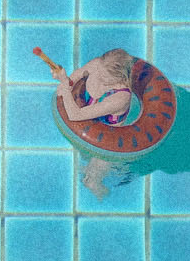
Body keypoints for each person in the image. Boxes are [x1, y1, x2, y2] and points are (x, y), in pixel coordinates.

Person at [52, 48, 139, 196]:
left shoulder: (120, 97)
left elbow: (75, 115)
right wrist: (66, 80)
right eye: (99, 70)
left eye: (105, 76)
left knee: (91, 181)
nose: (98, 75)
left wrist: (64, 85)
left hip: (105, 141)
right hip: (88, 125)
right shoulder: (98, 64)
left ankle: (106, 202)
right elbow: (77, 75)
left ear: (119, 78)